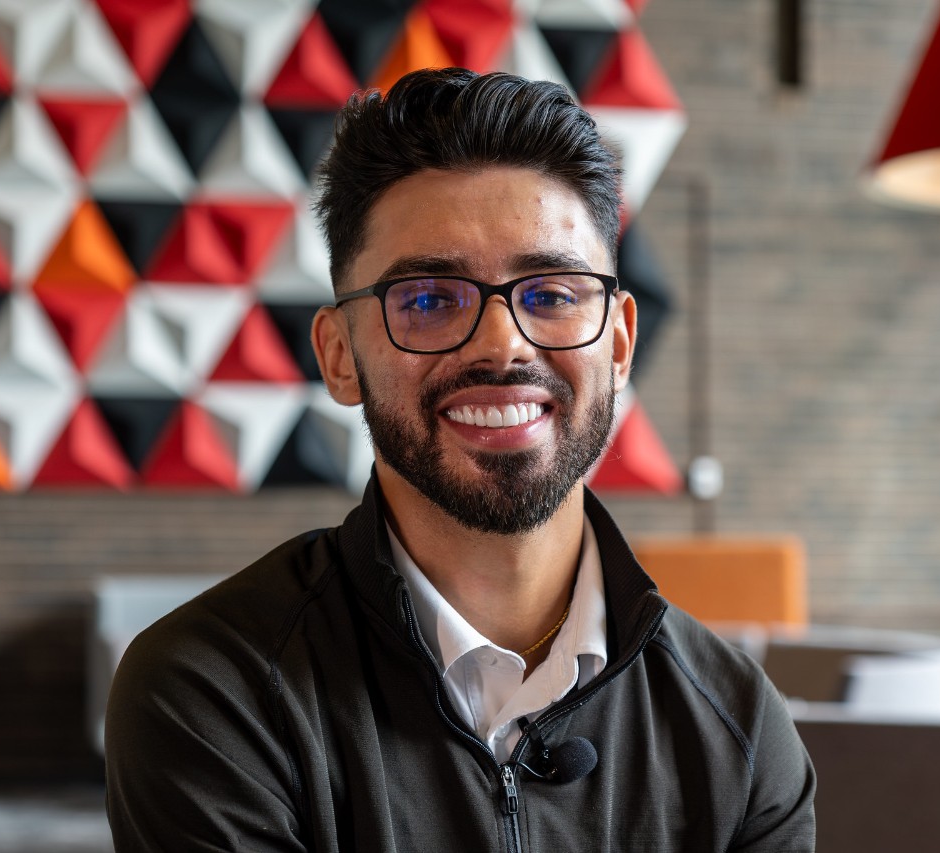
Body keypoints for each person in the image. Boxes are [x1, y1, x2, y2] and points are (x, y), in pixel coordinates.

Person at [105, 67, 816, 852]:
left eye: (552, 293)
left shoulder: (738, 730)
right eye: (430, 300)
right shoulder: (213, 692)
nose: (503, 345)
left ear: (618, 344)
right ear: (341, 356)